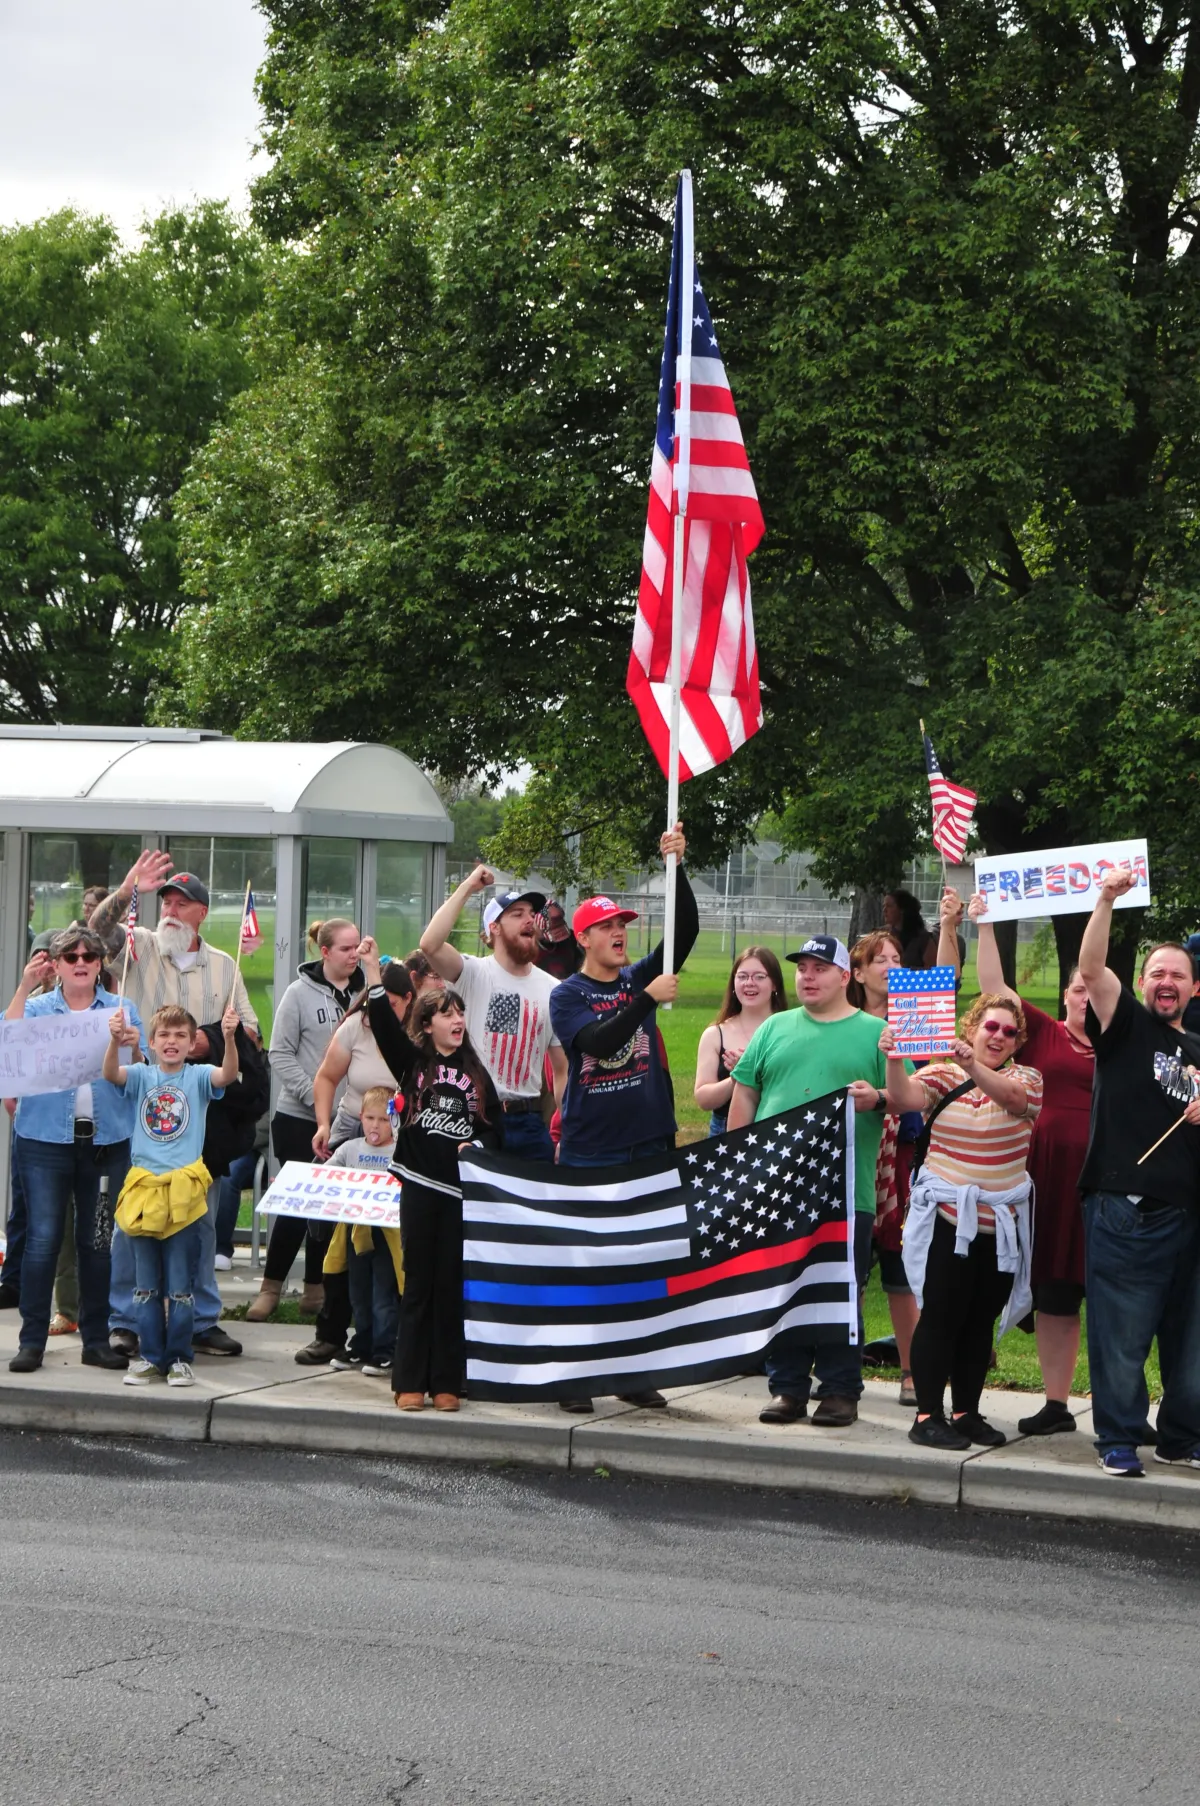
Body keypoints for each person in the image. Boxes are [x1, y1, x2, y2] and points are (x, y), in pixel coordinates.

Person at [547, 825, 696, 1416]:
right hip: (592, 1148)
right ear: (583, 937)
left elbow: (686, 931)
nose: (619, 934)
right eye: (608, 927)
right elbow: (600, 1043)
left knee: (642, 1261)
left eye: (624, 926)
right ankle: (573, 1374)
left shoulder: (637, 979)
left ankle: (632, 1371)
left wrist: (677, 866)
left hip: (646, 1142)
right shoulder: (567, 994)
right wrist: (645, 999)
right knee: (588, 1261)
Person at [90, 855, 258, 1360]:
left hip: (198, 1115)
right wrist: (126, 892)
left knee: (200, 1223)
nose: (170, 909)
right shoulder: (138, 947)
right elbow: (97, 934)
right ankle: (126, 1321)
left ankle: (202, 1319)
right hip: (137, 1101)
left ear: (201, 913)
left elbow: (251, 1033)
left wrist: (209, 1041)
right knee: (129, 1222)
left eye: (182, 902)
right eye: (165, 900)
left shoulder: (226, 966)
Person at [728, 935, 894, 1429]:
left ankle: (841, 1390)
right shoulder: (774, 1028)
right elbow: (745, 1101)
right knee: (784, 1286)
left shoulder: (875, 1031)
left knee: (840, 1289)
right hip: (778, 1185)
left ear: (846, 977)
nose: (807, 976)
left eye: (820, 968)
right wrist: (740, 1168)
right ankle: (788, 1389)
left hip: (846, 1187)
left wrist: (878, 1097)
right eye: (802, 968)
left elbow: (911, 1098)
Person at [1076, 869, 1200, 1478]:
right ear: (1143, 984)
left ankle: (1181, 1436)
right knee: (1122, 1337)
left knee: (1192, 1341)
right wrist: (1105, 900)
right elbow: (1093, 968)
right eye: (1158, 973)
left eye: (1178, 974)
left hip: (1190, 1218)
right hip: (1127, 1210)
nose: (1168, 982)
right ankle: (1118, 1438)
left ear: (1194, 987)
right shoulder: (1123, 1026)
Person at [882, 995, 1042, 1450]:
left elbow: (1012, 1100)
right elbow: (902, 1099)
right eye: (991, 1026)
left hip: (1001, 1225)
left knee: (979, 1321)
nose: (998, 1036)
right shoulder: (941, 1072)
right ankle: (927, 1414)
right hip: (948, 1220)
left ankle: (966, 1412)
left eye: (1009, 1032)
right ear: (972, 1026)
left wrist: (973, 1067)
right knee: (940, 1317)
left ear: (1017, 1042)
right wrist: (894, 1059)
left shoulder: (1027, 1078)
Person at [971, 893, 1094, 1435]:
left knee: (1120, 1300)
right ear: (1065, 996)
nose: (1085, 996)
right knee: (1056, 1290)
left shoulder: (1129, 1042)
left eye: (1095, 988)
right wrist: (986, 924)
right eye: (1077, 988)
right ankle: (1057, 1403)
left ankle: (1126, 1408)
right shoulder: (1045, 1033)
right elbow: (995, 989)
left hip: (1109, 1183)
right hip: (1049, 1179)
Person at [363, 941, 501, 1413]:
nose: (456, 1021)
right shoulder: (414, 1065)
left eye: (460, 1013)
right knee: (418, 1283)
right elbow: (383, 1026)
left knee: (449, 1286)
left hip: (459, 1194)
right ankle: (409, 1382)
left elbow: (494, 1130)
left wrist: (476, 1147)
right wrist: (372, 971)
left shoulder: (478, 1075)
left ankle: (448, 1381)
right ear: (427, 1024)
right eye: (446, 1014)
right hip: (420, 1187)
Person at [6, 929, 147, 1374]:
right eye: (71, 956)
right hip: (44, 1139)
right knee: (43, 1241)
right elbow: (7, 1047)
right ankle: (31, 1342)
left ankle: (96, 1339)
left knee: (99, 1242)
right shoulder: (38, 1008)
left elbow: (142, 1075)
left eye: (89, 955)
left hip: (105, 1142)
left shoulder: (122, 1009)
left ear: (101, 963)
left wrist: (135, 1045)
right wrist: (26, 984)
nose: (81, 961)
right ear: (59, 965)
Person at [847, 888, 964, 1408]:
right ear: (858, 972)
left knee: (900, 1266)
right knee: (845, 1264)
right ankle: (840, 1363)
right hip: (850, 1151)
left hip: (903, 1156)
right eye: (881, 960)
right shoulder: (841, 1018)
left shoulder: (917, 1013)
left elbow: (951, 980)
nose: (892, 965)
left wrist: (951, 927)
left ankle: (913, 1370)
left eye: (898, 957)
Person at [103, 1001, 241, 1387]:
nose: (172, 1041)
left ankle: (179, 1358)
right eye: (164, 1035)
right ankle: (150, 1356)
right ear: (150, 1041)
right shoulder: (141, 1075)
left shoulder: (197, 1077)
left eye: (181, 1035)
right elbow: (110, 1072)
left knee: (181, 1286)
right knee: (145, 1285)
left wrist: (229, 1038)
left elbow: (228, 1074)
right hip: (144, 1191)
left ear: (192, 1041)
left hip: (183, 1193)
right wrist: (115, 1042)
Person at [245, 918, 363, 1331]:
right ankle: (271, 1287)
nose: (354, 955)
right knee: (299, 1203)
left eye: (357, 948)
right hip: (298, 1117)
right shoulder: (298, 994)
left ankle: (317, 1288)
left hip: (350, 1121)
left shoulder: (366, 994)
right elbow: (280, 1053)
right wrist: (317, 1098)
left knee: (330, 1208)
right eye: (346, 949)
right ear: (325, 952)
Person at [420, 874, 566, 1161]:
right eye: (517, 914)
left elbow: (562, 1070)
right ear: (494, 928)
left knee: (534, 1204)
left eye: (531, 914)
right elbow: (430, 945)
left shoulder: (554, 990)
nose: (529, 920)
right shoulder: (472, 973)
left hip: (528, 1123)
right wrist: (468, 887)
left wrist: (567, 1131)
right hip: (474, 1118)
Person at [321, 1085, 404, 1377]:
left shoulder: (402, 1150)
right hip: (355, 1232)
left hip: (387, 1235)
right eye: (370, 1118)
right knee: (358, 1292)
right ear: (360, 1117)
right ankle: (361, 1344)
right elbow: (323, 1177)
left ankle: (385, 1349)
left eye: (383, 1120)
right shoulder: (350, 1148)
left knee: (383, 1294)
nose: (375, 1125)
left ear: (395, 1121)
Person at [311, 961, 415, 1157]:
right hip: (353, 1125)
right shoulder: (354, 1026)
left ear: (408, 998)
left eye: (391, 1005)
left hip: (401, 1131)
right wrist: (323, 1125)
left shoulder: (420, 1034)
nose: (382, 1013)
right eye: (375, 1004)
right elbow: (326, 1078)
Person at [693, 947, 787, 1136]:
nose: (749, 983)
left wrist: (755, 1073)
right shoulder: (715, 1034)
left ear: (775, 983)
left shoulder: (790, 1030)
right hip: (724, 1133)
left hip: (778, 1129)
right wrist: (737, 1077)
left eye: (759, 977)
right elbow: (703, 1099)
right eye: (742, 976)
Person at [883, 889, 937, 969]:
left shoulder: (923, 938)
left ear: (902, 909)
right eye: (884, 906)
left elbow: (932, 970)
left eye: (889, 906)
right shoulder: (882, 935)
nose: (884, 910)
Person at [535, 901, 582, 981]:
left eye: (559, 928)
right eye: (551, 931)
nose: (558, 937)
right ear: (535, 924)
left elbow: (583, 965)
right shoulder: (525, 945)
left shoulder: (571, 940)